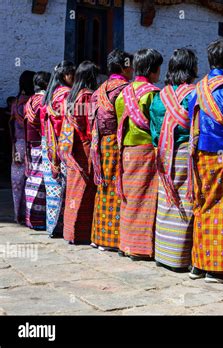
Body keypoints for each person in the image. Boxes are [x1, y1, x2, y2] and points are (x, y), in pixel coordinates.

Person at [187, 39, 223, 284]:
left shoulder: (198, 89)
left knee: (202, 206)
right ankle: (216, 268)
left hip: (199, 155)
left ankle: (198, 262)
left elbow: (191, 119)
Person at [150, 48, 197, 271]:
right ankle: (179, 257)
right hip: (185, 154)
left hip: (165, 153)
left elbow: (154, 131)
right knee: (184, 203)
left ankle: (163, 253)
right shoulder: (193, 94)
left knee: (167, 200)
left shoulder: (160, 96)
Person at [115, 48, 162, 261]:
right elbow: (156, 126)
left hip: (126, 151)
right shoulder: (152, 93)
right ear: (153, 69)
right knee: (145, 199)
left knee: (129, 198)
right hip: (145, 152)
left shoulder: (122, 94)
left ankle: (125, 243)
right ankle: (140, 248)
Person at [89, 49, 133, 252]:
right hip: (117, 145)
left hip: (99, 145)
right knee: (117, 188)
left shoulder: (98, 91)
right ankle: (113, 238)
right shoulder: (125, 90)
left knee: (103, 187)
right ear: (125, 67)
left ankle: (99, 236)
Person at [59, 61, 98, 244]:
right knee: (86, 189)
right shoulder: (88, 96)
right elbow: (89, 125)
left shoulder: (71, 97)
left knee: (74, 189)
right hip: (85, 147)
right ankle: (81, 233)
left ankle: (70, 231)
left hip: (72, 148)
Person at [42, 61, 75, 237]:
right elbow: (68, 120)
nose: (74, 77)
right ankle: (60, 226)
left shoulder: (50, 95)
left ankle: (51, 224)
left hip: (48, 144)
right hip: (62, 144)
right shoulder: (67, 95)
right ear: (65, 75)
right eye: (72, 74)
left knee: (53, 188)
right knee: (64, 186)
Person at [24, 71, 51, 230]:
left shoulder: (30, 100)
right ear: (47, 84)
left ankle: (30, 217)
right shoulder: (43, 101)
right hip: (42, 144)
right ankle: (38, 219)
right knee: (41, 181)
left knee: (33, 179)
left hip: (31, 145)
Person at [10, 70, 35, 224]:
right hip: (31, 145)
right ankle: (29, 215)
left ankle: (17, 214)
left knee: (17, 182)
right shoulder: (32, 102)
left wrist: (12, 146)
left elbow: (12, 127)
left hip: (17, 145)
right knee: (30, 180)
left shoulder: (15, 103)